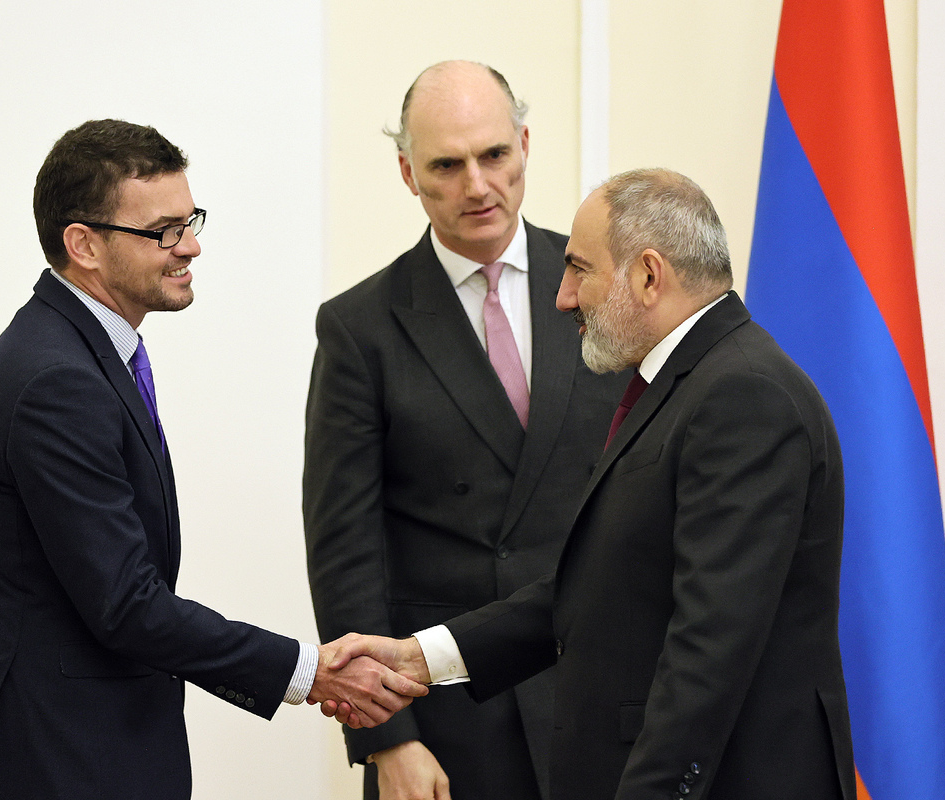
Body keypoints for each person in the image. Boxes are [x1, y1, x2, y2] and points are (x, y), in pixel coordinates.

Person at [327, 168, 857, 800]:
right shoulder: (687, 385)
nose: (563, 297)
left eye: (579, 269)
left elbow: (709, 649)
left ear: (649, 276)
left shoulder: (742, 396)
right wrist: (421, 657)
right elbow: (597, 588)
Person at [0, 119, 426, 800]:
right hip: (56, 758)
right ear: (84, 244)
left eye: (190, 221)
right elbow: (126, 605)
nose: (190, 246)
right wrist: (308, 671)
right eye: (163, 231)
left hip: (97, 749)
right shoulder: (57, 379)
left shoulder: (84, 349)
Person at [303, 62, 626, 800]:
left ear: (524, 145)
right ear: (408, 174)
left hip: (600, 696)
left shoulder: (607, 286)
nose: (477, 185)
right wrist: (388, 739)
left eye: (494, 155)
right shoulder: (360, 327)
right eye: (446, 165)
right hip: (451, 724)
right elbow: (346, 550)